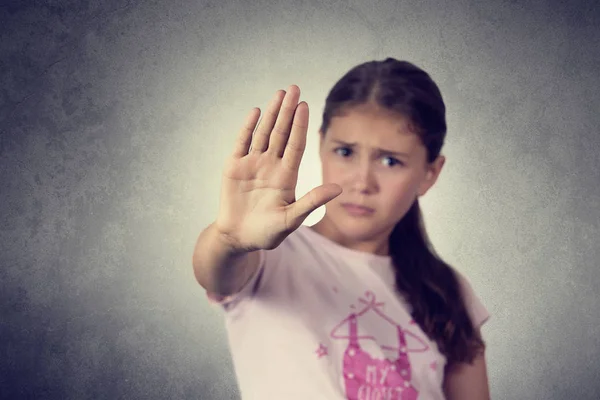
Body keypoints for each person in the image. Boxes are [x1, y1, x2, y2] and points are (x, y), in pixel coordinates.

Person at [192, 58, 491, 400]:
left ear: (429, 174)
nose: (362, 182)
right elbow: (214, 270)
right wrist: (230, 240)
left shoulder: (449, 291)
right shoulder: (268, 259)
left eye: (390, 161)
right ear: (320, 146)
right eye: (345, 152)